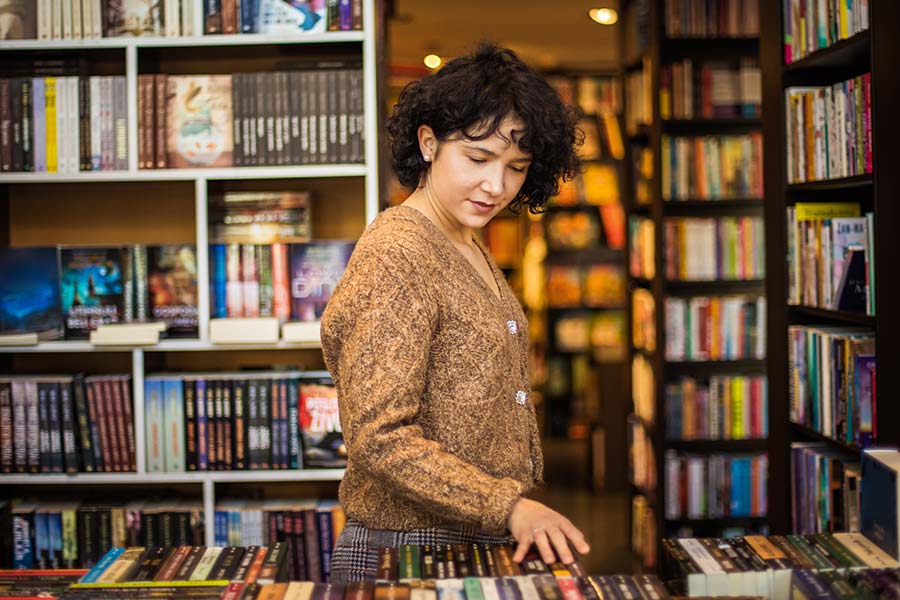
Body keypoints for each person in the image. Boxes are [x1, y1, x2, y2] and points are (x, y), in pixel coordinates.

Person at [320, 41, 589, 583]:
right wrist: (509, 506)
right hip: (403, 552)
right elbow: (380, 438)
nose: (497, 186)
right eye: (478, 158)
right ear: (428, 143)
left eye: (517, 167)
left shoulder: (463, 237)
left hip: (465, 541)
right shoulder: (398, 255)